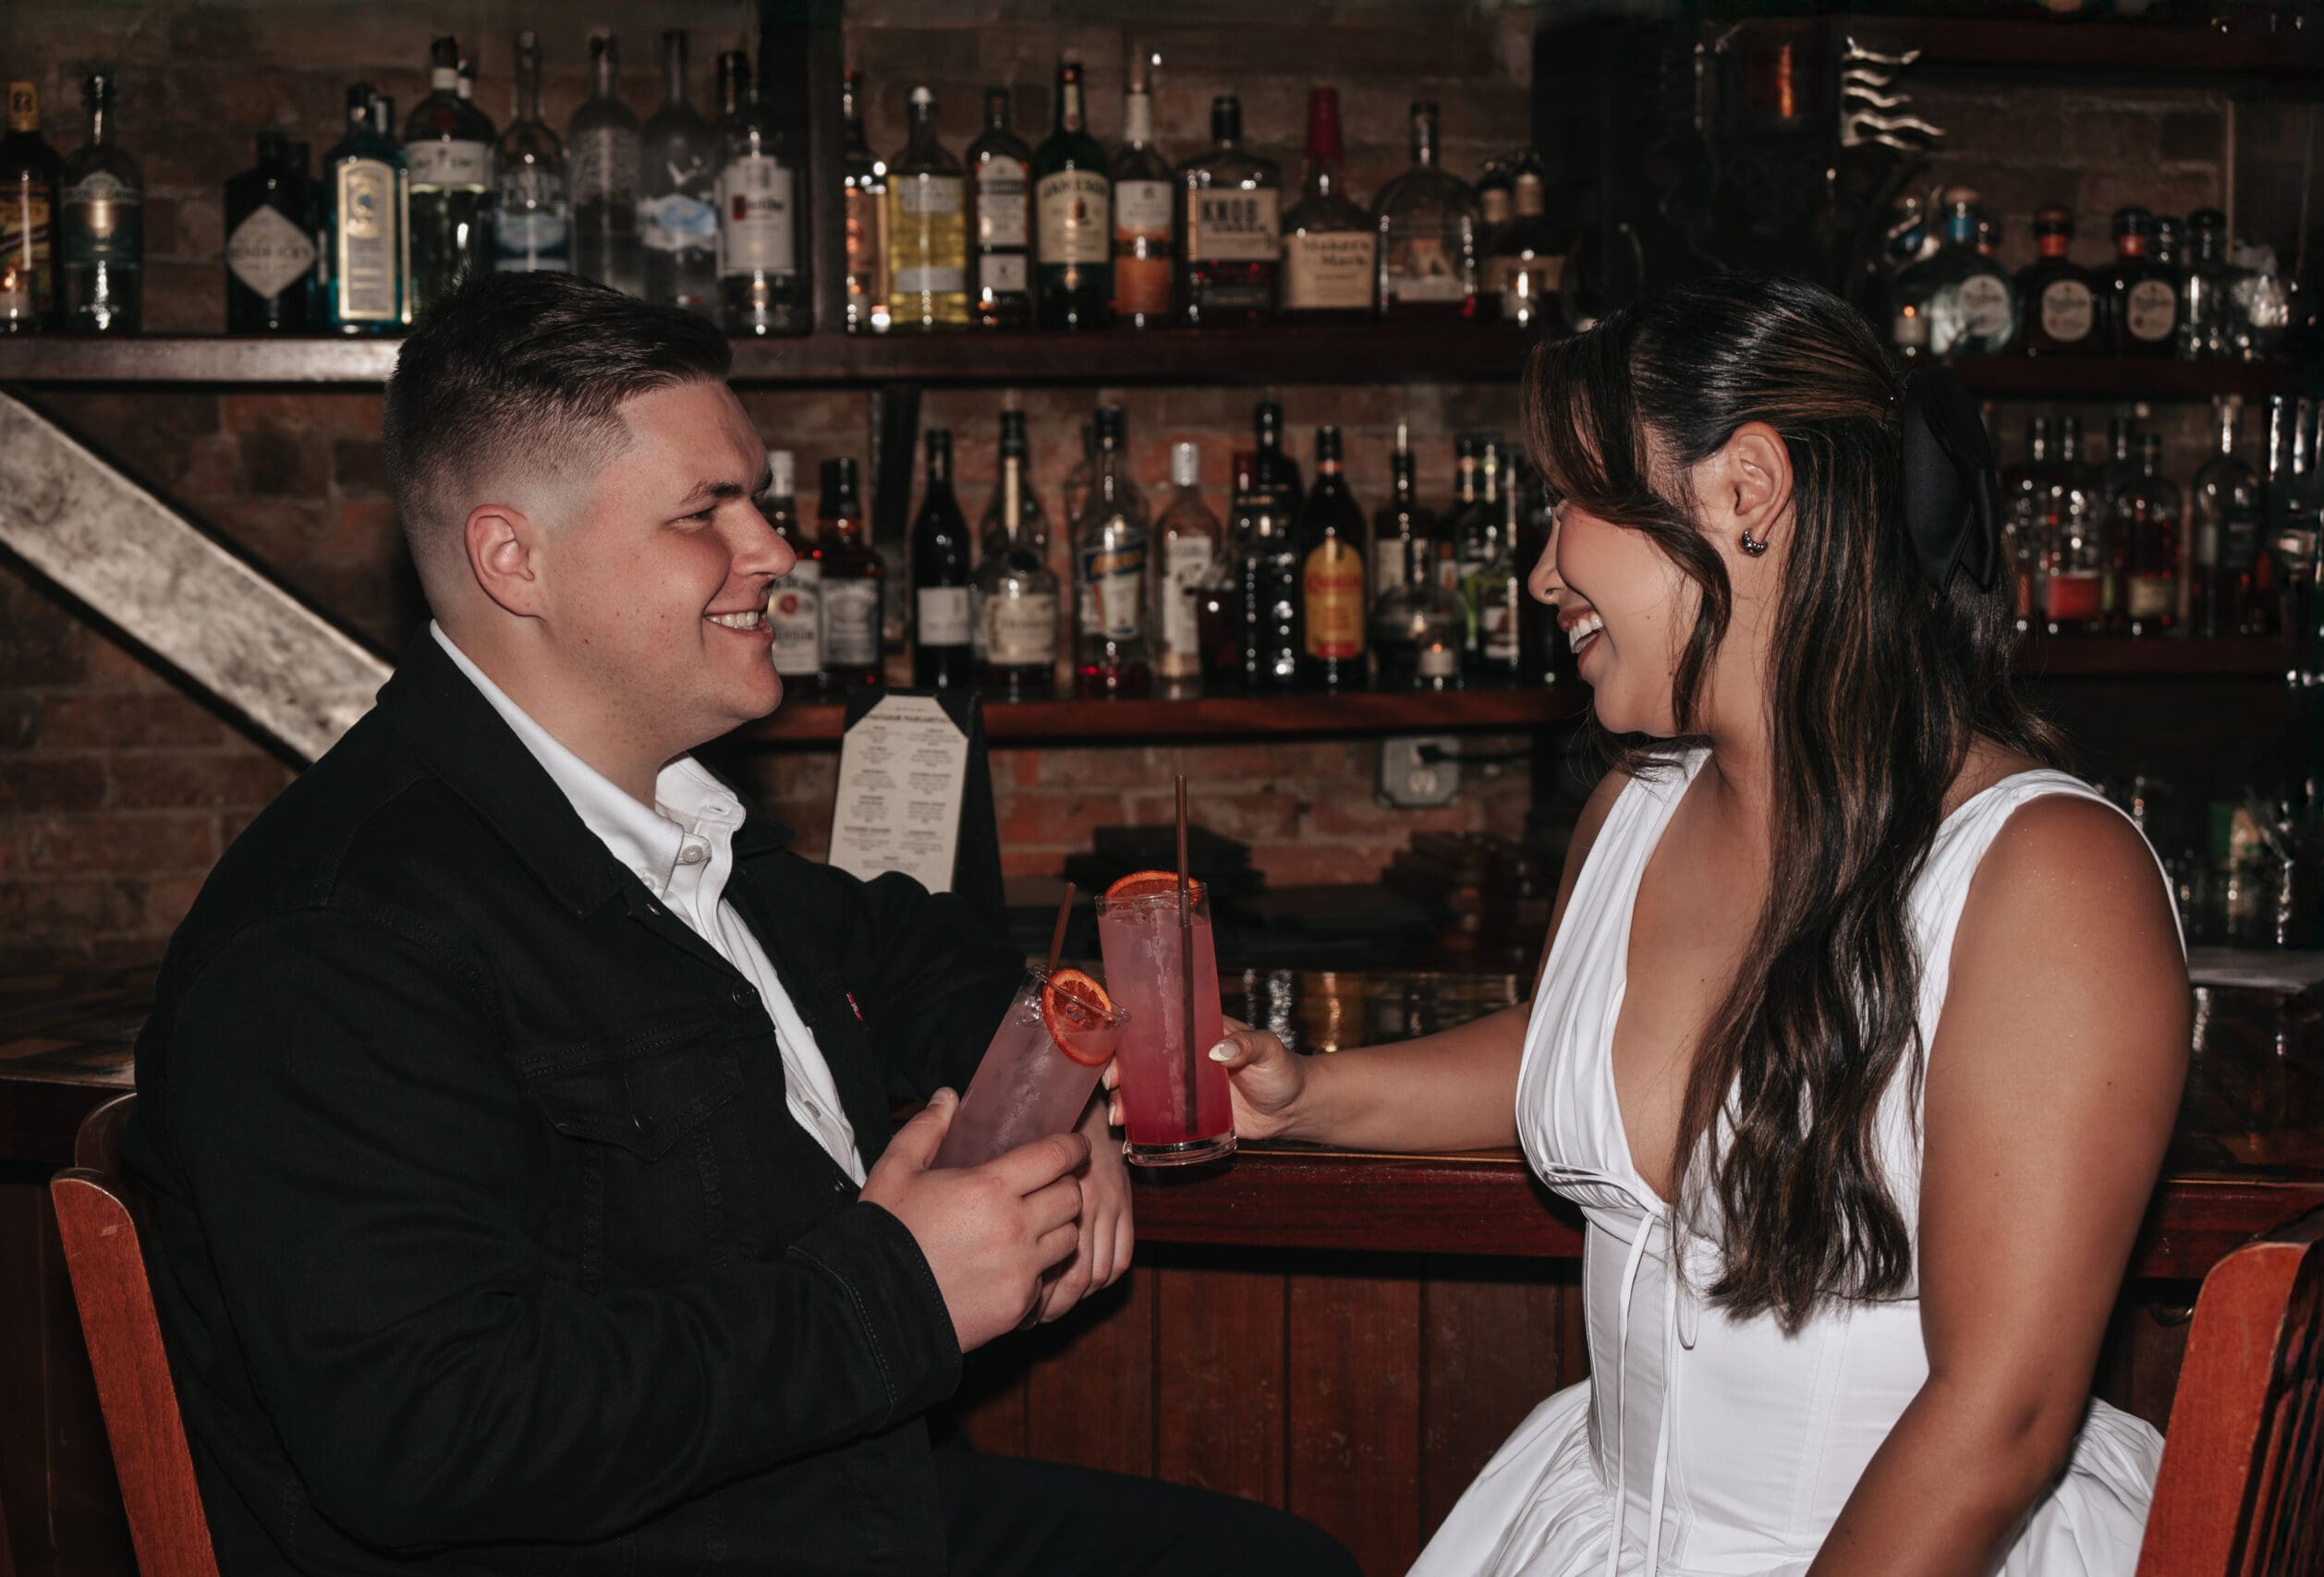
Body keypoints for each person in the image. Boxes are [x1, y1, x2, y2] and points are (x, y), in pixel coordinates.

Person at [124, 270, 1358, 1577]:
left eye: (754, 501)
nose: (774, 551)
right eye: (707, 512)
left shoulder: (665, 837)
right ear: (513, 559)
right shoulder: (336, 936)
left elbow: (902, 944)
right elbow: (427, 1429)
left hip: (825, 1505)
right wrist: (898, 1292)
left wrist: (1045, 1083)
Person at [1158, 274, 2188, 1577]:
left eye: (1572, 506)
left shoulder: (2048, 874)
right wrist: (1310, 1097)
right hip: (1600, 1521)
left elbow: (2005, 1416)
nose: (1541, 574)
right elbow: (1581, 1047)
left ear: (1745, 491)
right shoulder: (1635, 810)